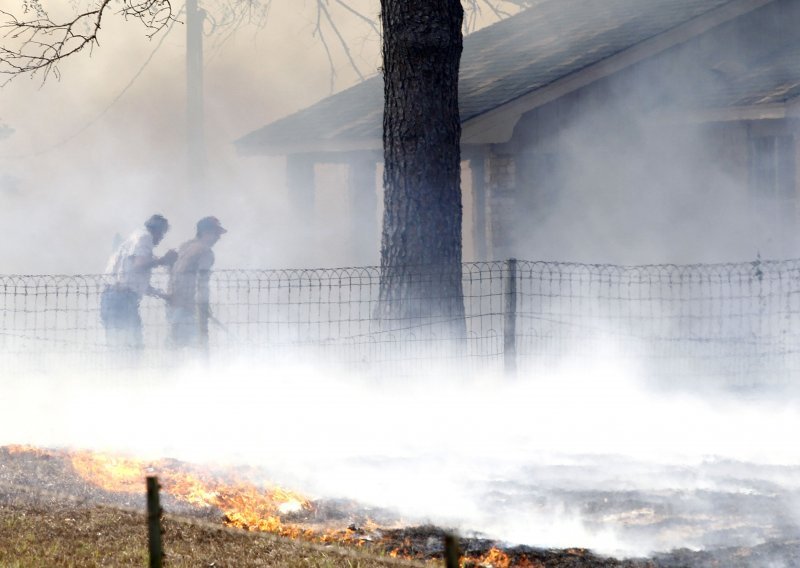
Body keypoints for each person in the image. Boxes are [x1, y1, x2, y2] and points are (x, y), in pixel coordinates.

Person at [101, 214, 178, 350]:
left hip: (115, 297)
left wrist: (163, 296)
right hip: (121, 299)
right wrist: (163, 260)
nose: (161, 239)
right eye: (162, 234)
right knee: (130, 346)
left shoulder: (134, 239)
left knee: (120, 344)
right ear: (157, 231)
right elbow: (139, 264)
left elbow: (135, 280)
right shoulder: (145, 237)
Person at [166, 216, 227, 350]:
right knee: (193, 347)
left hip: (172, 303)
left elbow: (170, 268)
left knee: (176, 347)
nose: (218, 238)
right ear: (206, 233)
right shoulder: (205, 252)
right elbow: (202, 282)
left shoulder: (184, 246)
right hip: (187, 307)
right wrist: (204, 306)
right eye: (216, 233)